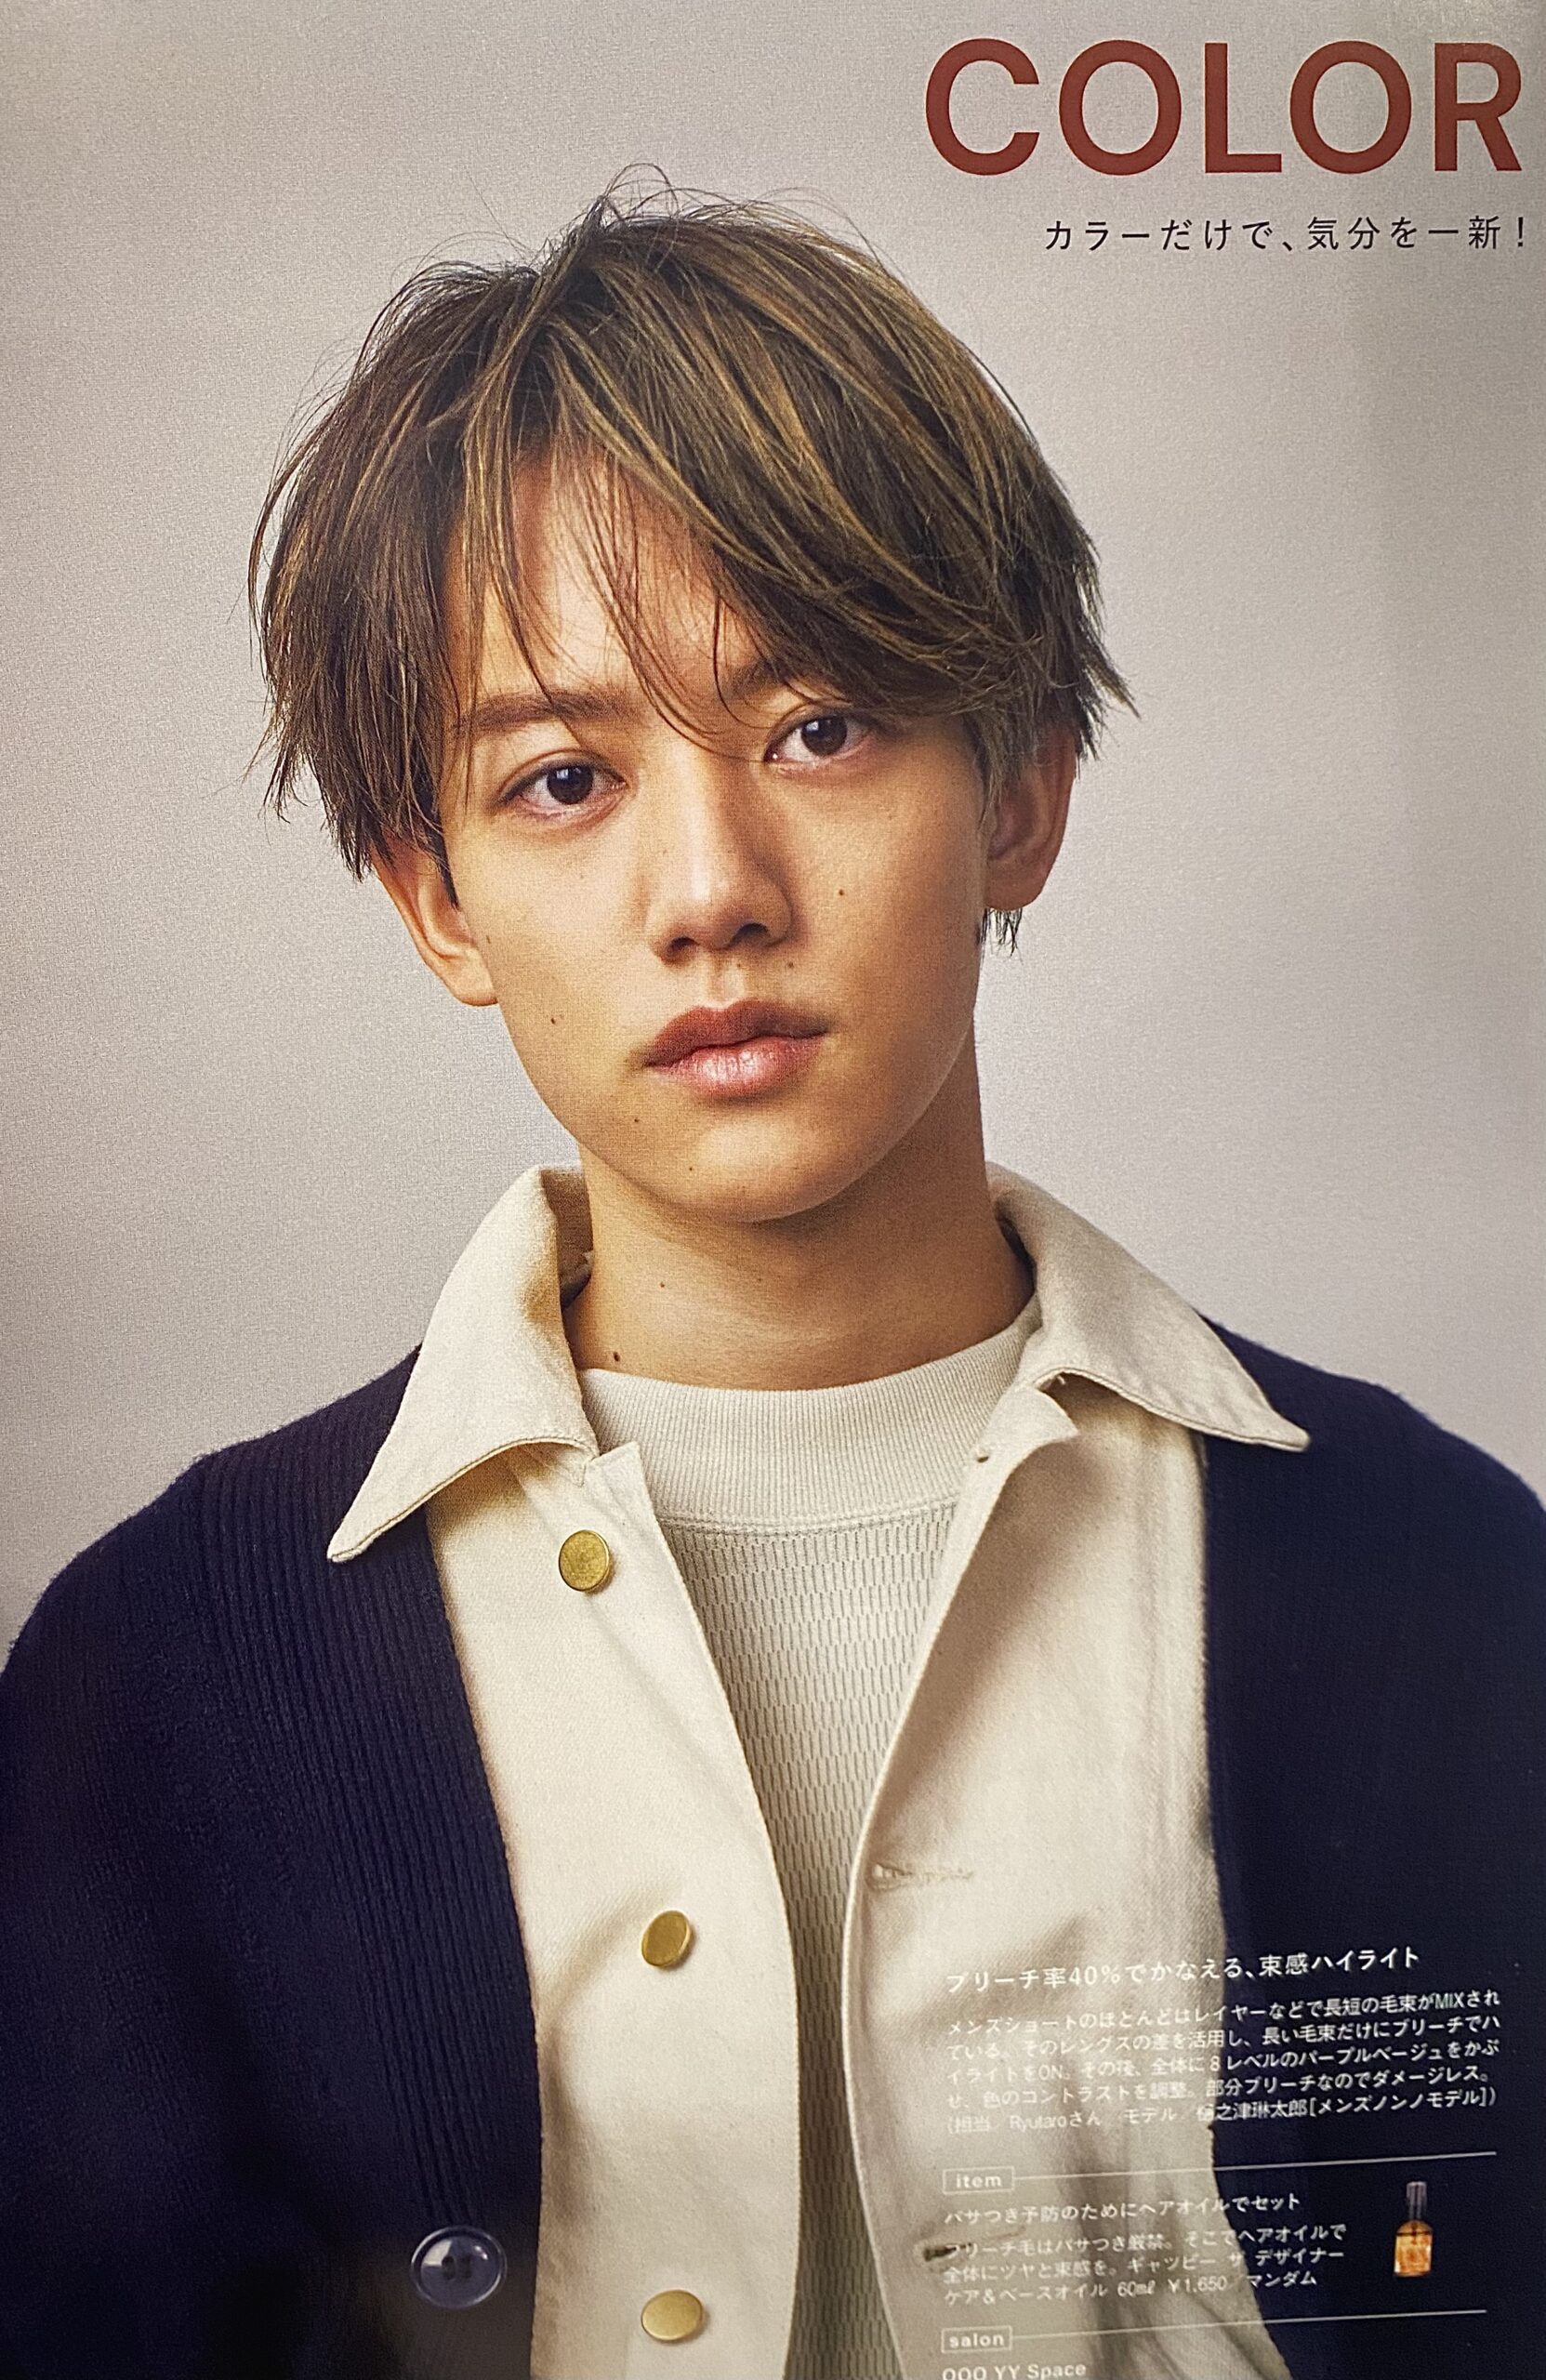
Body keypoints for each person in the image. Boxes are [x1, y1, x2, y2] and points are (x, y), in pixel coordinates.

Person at [0, 181, 1540, 2380]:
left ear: (1021, 790)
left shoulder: (1437, 1577)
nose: (710, 887)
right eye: (561, 777)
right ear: (434, 896)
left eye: (819, 727)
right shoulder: (157, 1670)